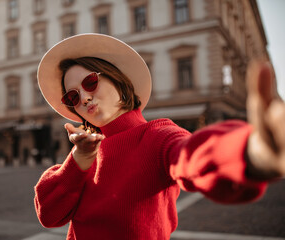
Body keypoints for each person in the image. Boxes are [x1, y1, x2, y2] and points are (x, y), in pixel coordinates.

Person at [34, 33, 285, 240]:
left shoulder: (157, 136)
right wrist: (77, 161)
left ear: (120, 82)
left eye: (90, 82)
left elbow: (189, 154)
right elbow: (49, 215)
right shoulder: (84, 150)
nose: (85, 98)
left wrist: (250, 153)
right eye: (72, 97)